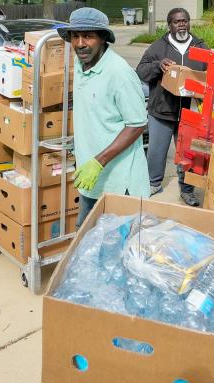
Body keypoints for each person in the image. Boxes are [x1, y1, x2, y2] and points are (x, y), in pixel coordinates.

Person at [56, 8, 150, 226]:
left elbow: (137, 125)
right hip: (91, 179)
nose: (80, 43)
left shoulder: (119, 73)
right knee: (86, 235)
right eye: (75, 36)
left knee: (112, 245)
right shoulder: (81, 65)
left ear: (103, 39)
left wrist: (97, 163)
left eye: (88, 36)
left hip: (118, 182)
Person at [135, 7, 209, 207]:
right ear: (169, 25)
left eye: (184, 21)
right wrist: (157, 65)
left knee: (188, 154)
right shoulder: (158, 47)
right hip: (161, 110)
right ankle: (153, 183)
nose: (181, 25)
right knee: (156, 152)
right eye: (176, 22)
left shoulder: (200, 46)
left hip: (189, 112)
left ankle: (187, 190)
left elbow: (210, 73)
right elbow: (141, 71)